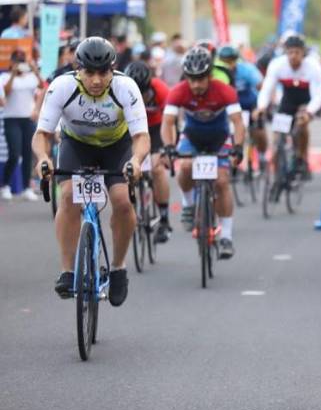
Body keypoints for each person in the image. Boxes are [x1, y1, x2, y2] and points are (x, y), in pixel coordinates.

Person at [32, 37, 150, 306]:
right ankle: (68, 270)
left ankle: (118, 268)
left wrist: (137, 160)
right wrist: (42, 158)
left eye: (103, 73)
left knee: (122, 200)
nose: (96, 80)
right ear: (78, 70)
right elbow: (42, 134)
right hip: (77, 145)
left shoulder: (125, 87)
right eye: (89, 73)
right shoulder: (61, 87)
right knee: (69, 196)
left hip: (115, 146)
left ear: (113, 70)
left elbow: (141, 136)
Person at [161, 47, 244, 259]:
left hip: (220, 138)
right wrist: (170, 147)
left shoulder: (224, 90)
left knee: (222, 182)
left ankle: (226, 236)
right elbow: (167, 123)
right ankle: (189, 205)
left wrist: (238, 147)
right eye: (192, 79)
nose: (196, 84)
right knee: (186, 167)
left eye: (201, 79)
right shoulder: (178, 91)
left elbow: (237, 122)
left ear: (209, 76)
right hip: (192, 138)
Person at [256, 35, 321, 179]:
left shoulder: (313, 66)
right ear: (285, 52)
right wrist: (261, 107)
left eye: (297, 52)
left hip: (305, 101)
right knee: (277, 134)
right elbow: (267, 89)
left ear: (303, 53)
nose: (293, 56)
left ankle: (301, 157)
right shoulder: (277, 64)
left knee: (301, 124)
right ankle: (278, 166)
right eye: (290, 52)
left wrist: (309, 112)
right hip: (287, 101)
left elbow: (318, 95)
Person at [124, 61, 173, 243]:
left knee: (158, 168)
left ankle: (164, 217)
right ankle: (133, 209)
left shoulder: (161, 90)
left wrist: (169, 148)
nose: (141, 97)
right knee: (130, 169)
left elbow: (170, 122)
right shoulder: (122, 90)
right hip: (132, 130)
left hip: (156, 129)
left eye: (143, 92)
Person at [0, 50, 43, 200]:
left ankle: (26, 187)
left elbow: (42, 86)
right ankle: (5, 185)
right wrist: (12, 73)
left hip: (28, 119)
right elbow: (6, 92)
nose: (20, 65)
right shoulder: (5, 77)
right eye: (17, 61)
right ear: (11, 62)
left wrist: (34, 68)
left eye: (21, 61)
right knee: (14, 153)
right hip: (11, 119)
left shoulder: (31, 77)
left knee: (27, 153)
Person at [216, 44, 266, 158]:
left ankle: (262, 155)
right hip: (231, 105)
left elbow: (261, 86)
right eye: (224, 61)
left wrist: (260, 107)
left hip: (250, 103)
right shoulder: (218, 73)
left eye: (231, 61)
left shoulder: (246, 69)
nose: (228, 65)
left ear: (236, 60)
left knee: (258, 130)